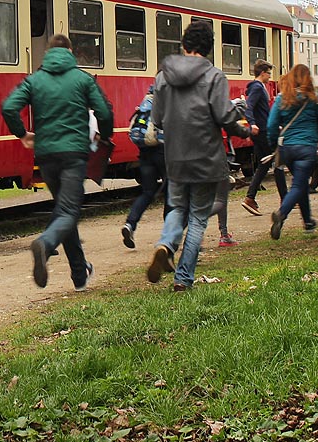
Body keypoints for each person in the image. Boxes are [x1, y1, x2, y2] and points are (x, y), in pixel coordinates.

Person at [145, 21, 255, 290]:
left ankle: (166, 244)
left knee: (177, 207)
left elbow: (157, 119)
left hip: (175, 156)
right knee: (197, 218)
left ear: (184, 45)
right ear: (209, 47)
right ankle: (183, 278)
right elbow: (225, 117)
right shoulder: (214, 76)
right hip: (206, 157)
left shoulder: (163, 77)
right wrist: (246, 130)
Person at [2, 34, 113, 290]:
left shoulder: (35, 80)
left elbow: (9, 107)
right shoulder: (83, 79)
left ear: (48, 53)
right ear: (70, 52)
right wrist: (105, 136)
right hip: (73, 155)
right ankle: (45, 243)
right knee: (69, 211)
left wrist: (22, 134)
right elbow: (104, 112)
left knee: (65, 211)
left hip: (46, 156)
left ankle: (80, 275)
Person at [266, 64, 318, 238]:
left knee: (301, 184)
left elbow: (271, 125)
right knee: (299, 185)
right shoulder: (314, 99)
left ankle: (307, 222)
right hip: (306, 148)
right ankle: (281, 213)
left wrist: (273, 143)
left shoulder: (282, 98)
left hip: (287, 149)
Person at [121, 86, 167, 249]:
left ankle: (130, 224)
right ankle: (168, 235)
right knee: (171, 191)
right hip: (162, 152)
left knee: (147, 191)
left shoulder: (146, 101)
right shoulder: (168, 99)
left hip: (145, 152)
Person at [241, 60, 287, 216]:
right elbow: (249, 107)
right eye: (268, 73)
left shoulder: (258, 87)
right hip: (262, 132)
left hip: (263, 129)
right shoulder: (257, 87)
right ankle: (285, 199)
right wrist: (253, 124)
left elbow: (261, 111)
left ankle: (250, 197)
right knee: (277, 161)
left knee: (264, 164)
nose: (270, 76)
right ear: (262, 73)